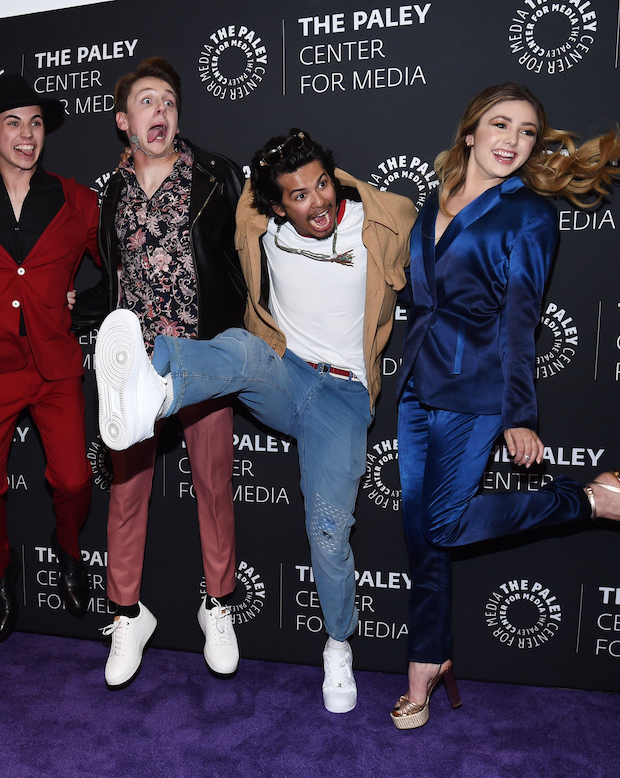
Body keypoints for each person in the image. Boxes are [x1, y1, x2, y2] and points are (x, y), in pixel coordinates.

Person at [392, 82, 620, 730]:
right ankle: (427, 659)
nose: (513, 141)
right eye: (501, 125)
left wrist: (521, 413)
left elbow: (522, 321)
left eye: (527, 132)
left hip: (476, 391)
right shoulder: (429, 201)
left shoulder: (529, 214)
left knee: (442, 526)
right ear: (470, 132)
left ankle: (593, 499)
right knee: (423, 538)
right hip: (416, 388)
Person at [94, 130, 416, 712]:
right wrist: (140, 149)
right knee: (240, 346)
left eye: (322, 185)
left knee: (329, 530)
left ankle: (338, 644)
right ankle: (152, 393)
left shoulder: (382, 222)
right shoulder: (256, 221)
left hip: (340, 399)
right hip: (285, 372)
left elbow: (423, 245)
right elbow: (213, 177)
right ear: (273, 204)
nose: (316, 203)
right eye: (297, 195)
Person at [71, 57, 247, 687]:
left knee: (214, 487)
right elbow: (112, 278)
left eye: (169, 100)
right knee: (126, 496)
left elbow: (244, 260)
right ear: (124, 121)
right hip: (132, 366)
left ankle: (219, 606)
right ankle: (127, 615)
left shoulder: (218, 176)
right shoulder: (110, 193)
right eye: (147, 102)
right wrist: (68, 307)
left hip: (202, 358)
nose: (160, 111)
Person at [0, 75, 101, 640]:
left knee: (77, 480)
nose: (27, 135)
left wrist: (76, 304)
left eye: (35, 123)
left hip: (55, 365)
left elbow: (118, 271)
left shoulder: (77, 199)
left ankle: (68, 551)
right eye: (13, 122)